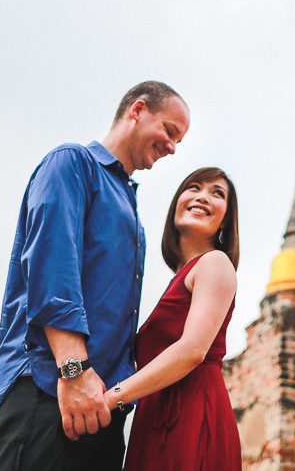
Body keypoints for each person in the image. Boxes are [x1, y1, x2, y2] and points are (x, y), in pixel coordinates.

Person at [0, 81, 191, 471]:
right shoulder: (72, 163)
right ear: (138, 110)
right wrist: (74, 372)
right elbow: (53, 266)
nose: (173, 147)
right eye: (169, 131)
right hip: (50, 389)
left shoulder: (130, 205)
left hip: (102, 407)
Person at [110, 166, 241, 471]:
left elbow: (192, 350)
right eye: (194, 187)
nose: (203, 196)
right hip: (157, 415)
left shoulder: (215, 263)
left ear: (226, 222)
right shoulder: (183, 275)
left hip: (192, 414)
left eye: (217, 193)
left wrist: (111, 398)